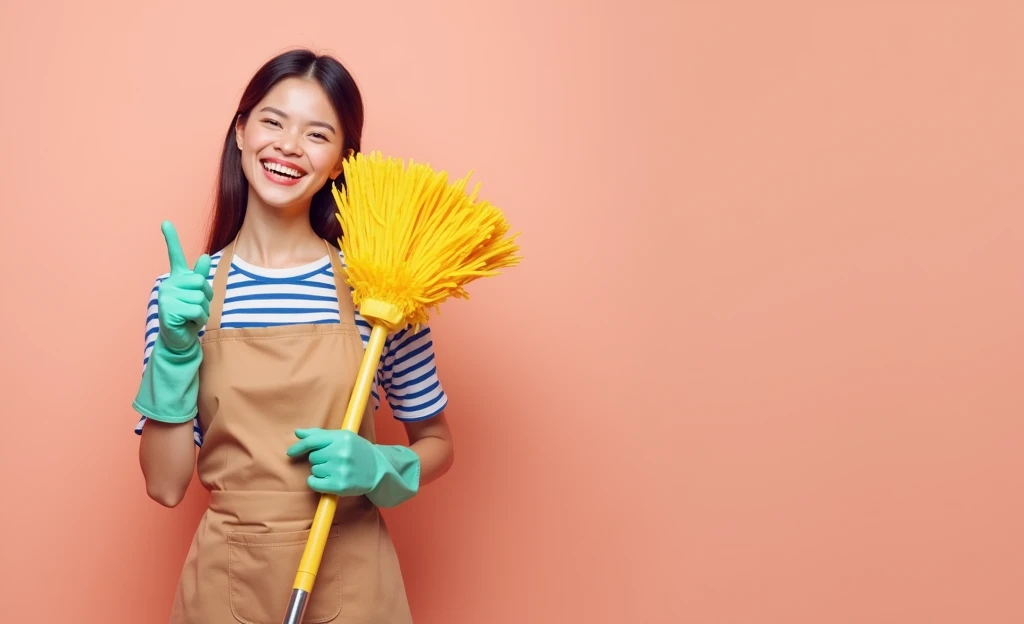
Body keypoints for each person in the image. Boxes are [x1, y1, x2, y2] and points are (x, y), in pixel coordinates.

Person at [131, 48, 454, 623]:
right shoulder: (184, 294)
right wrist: (178, 350)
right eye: (273, 122)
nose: (287, 146)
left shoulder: (382, 289)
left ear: (338, 163)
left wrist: (381, 466)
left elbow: (437, 443)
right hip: (224, 585)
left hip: (355, 577)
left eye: (316, 134)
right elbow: (165, 484)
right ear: (240, 131)